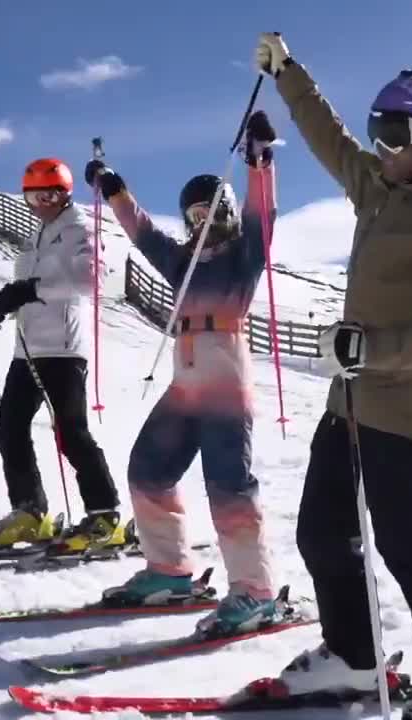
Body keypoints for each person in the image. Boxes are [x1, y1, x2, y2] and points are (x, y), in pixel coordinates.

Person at [254, 33, 412, 720]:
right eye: (379, 131)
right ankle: (354, 654)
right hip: (349, 402)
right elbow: (330, 140)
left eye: (394, 136)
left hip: (407, 412)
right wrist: (288, 74)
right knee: (321, 533)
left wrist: (374, 350)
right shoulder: (382, 188)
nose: (381, 147)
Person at [82, 111, 281, 635]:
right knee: (148, 469)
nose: (202, 223)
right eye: (194, 215)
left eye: (212, 212)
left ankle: (255, 592)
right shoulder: (181, 262)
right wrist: (113, 189)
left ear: (228, 213)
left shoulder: (243, 258)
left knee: (229, 487)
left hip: (224, 383)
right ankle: (169, 570)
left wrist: (259, 161)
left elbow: (264, 215)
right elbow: (142, 231)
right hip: (185, 382)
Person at [0, 157, 123, 555]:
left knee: (70, 432)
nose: (42, 204)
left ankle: (104, 515)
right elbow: (26, 289)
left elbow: (91, 280)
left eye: (50, 195)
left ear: (65, 194)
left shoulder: (80, 228)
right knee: (9, 428)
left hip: (64, 349)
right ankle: (29, 512)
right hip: (28, 348)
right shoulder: (38, 234)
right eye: (33, 197)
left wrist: (31, 289)